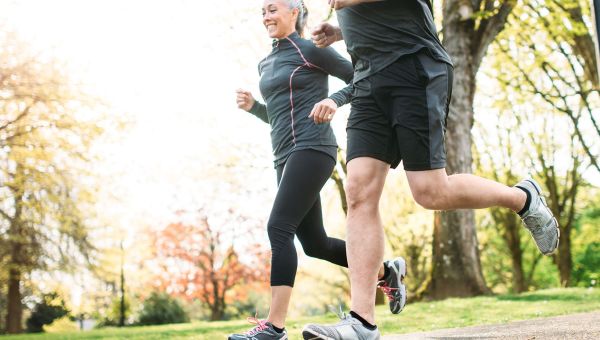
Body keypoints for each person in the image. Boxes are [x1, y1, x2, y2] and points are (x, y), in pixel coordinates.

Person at [301, 1, 560, 339]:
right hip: (367, 79)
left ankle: (522, 198)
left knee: (430, 192)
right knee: (359, 191)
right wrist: (342, 30)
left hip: (414, 67)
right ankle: (362, 322)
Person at [229, 1, 407, 339]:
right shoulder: (265, 62)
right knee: (315, 243)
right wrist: (254, 108)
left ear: (294, 12)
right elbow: (280, 117)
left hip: (313, 148)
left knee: (278, 226)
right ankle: (387, 271)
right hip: (284, 155)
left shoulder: (310, 49)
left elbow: (361, 78)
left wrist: (334, 101)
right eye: (263, 11)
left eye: (273, 9)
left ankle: (275, 328)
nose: (266, 16)